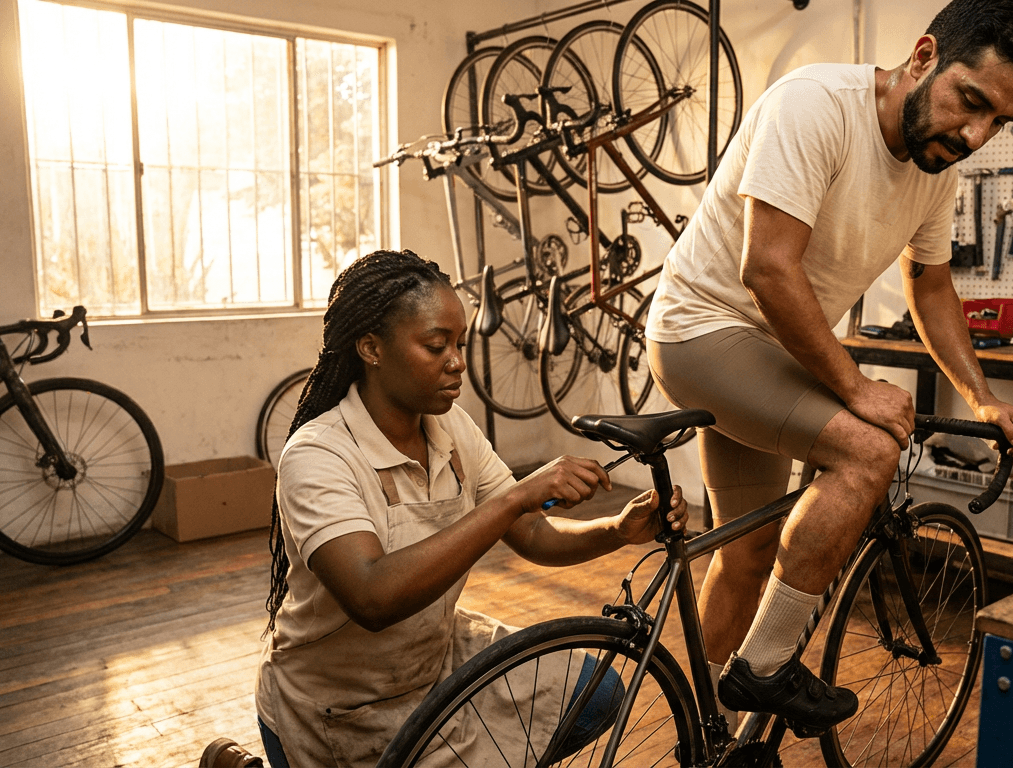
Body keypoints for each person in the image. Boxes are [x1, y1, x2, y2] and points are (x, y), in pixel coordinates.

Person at [644, 0, 1013, 733]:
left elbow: (929, 285)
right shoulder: (816, 105)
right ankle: (764, 666)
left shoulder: (936, 170)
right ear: (925, 56)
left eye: (999, 122)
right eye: (971, 103)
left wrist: (983, 398)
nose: (975, 135)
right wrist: (856, 385)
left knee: (746, 554)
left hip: (766, 352)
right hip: (702, 331)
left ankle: (703, 733)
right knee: (870, 449)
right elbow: (768, 268)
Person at [246, 249, 685, 768]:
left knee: (598, 692)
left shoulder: (451, 429)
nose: (457, 362)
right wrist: (518, 496)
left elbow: (534, 536)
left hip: (433, 662)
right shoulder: (318, 454)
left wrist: (617, 529)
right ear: (371, 349)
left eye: (460, 343)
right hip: (339, 702)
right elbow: (372, 596)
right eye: (436, 346)